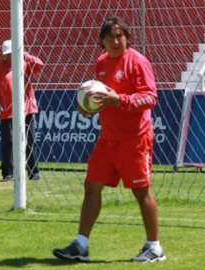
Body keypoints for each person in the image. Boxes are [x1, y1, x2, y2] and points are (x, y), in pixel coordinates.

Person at [52, 16, 166, 263]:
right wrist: (88, 108)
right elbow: (101, 98)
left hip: (135, 139)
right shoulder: (101, 62)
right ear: (102, 41)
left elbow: (150, 97)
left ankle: (155, 247)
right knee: (91, 186)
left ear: (127, 38)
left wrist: (120, 100)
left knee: (140, 192)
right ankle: (81, 246)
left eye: (120, 36)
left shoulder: (138, 61)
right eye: (110, 37)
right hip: (108, 140)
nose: (115, 41)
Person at [0, 40, 44, 181]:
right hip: (7, 111)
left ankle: (33, 172)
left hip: (27, 109)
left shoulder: (25, 63)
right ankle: (7, 173)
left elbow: (40, 64)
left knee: (30, 141)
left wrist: (25, 55)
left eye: (11, 53)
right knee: (8, 142)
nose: (8, 56)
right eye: (6, 54)